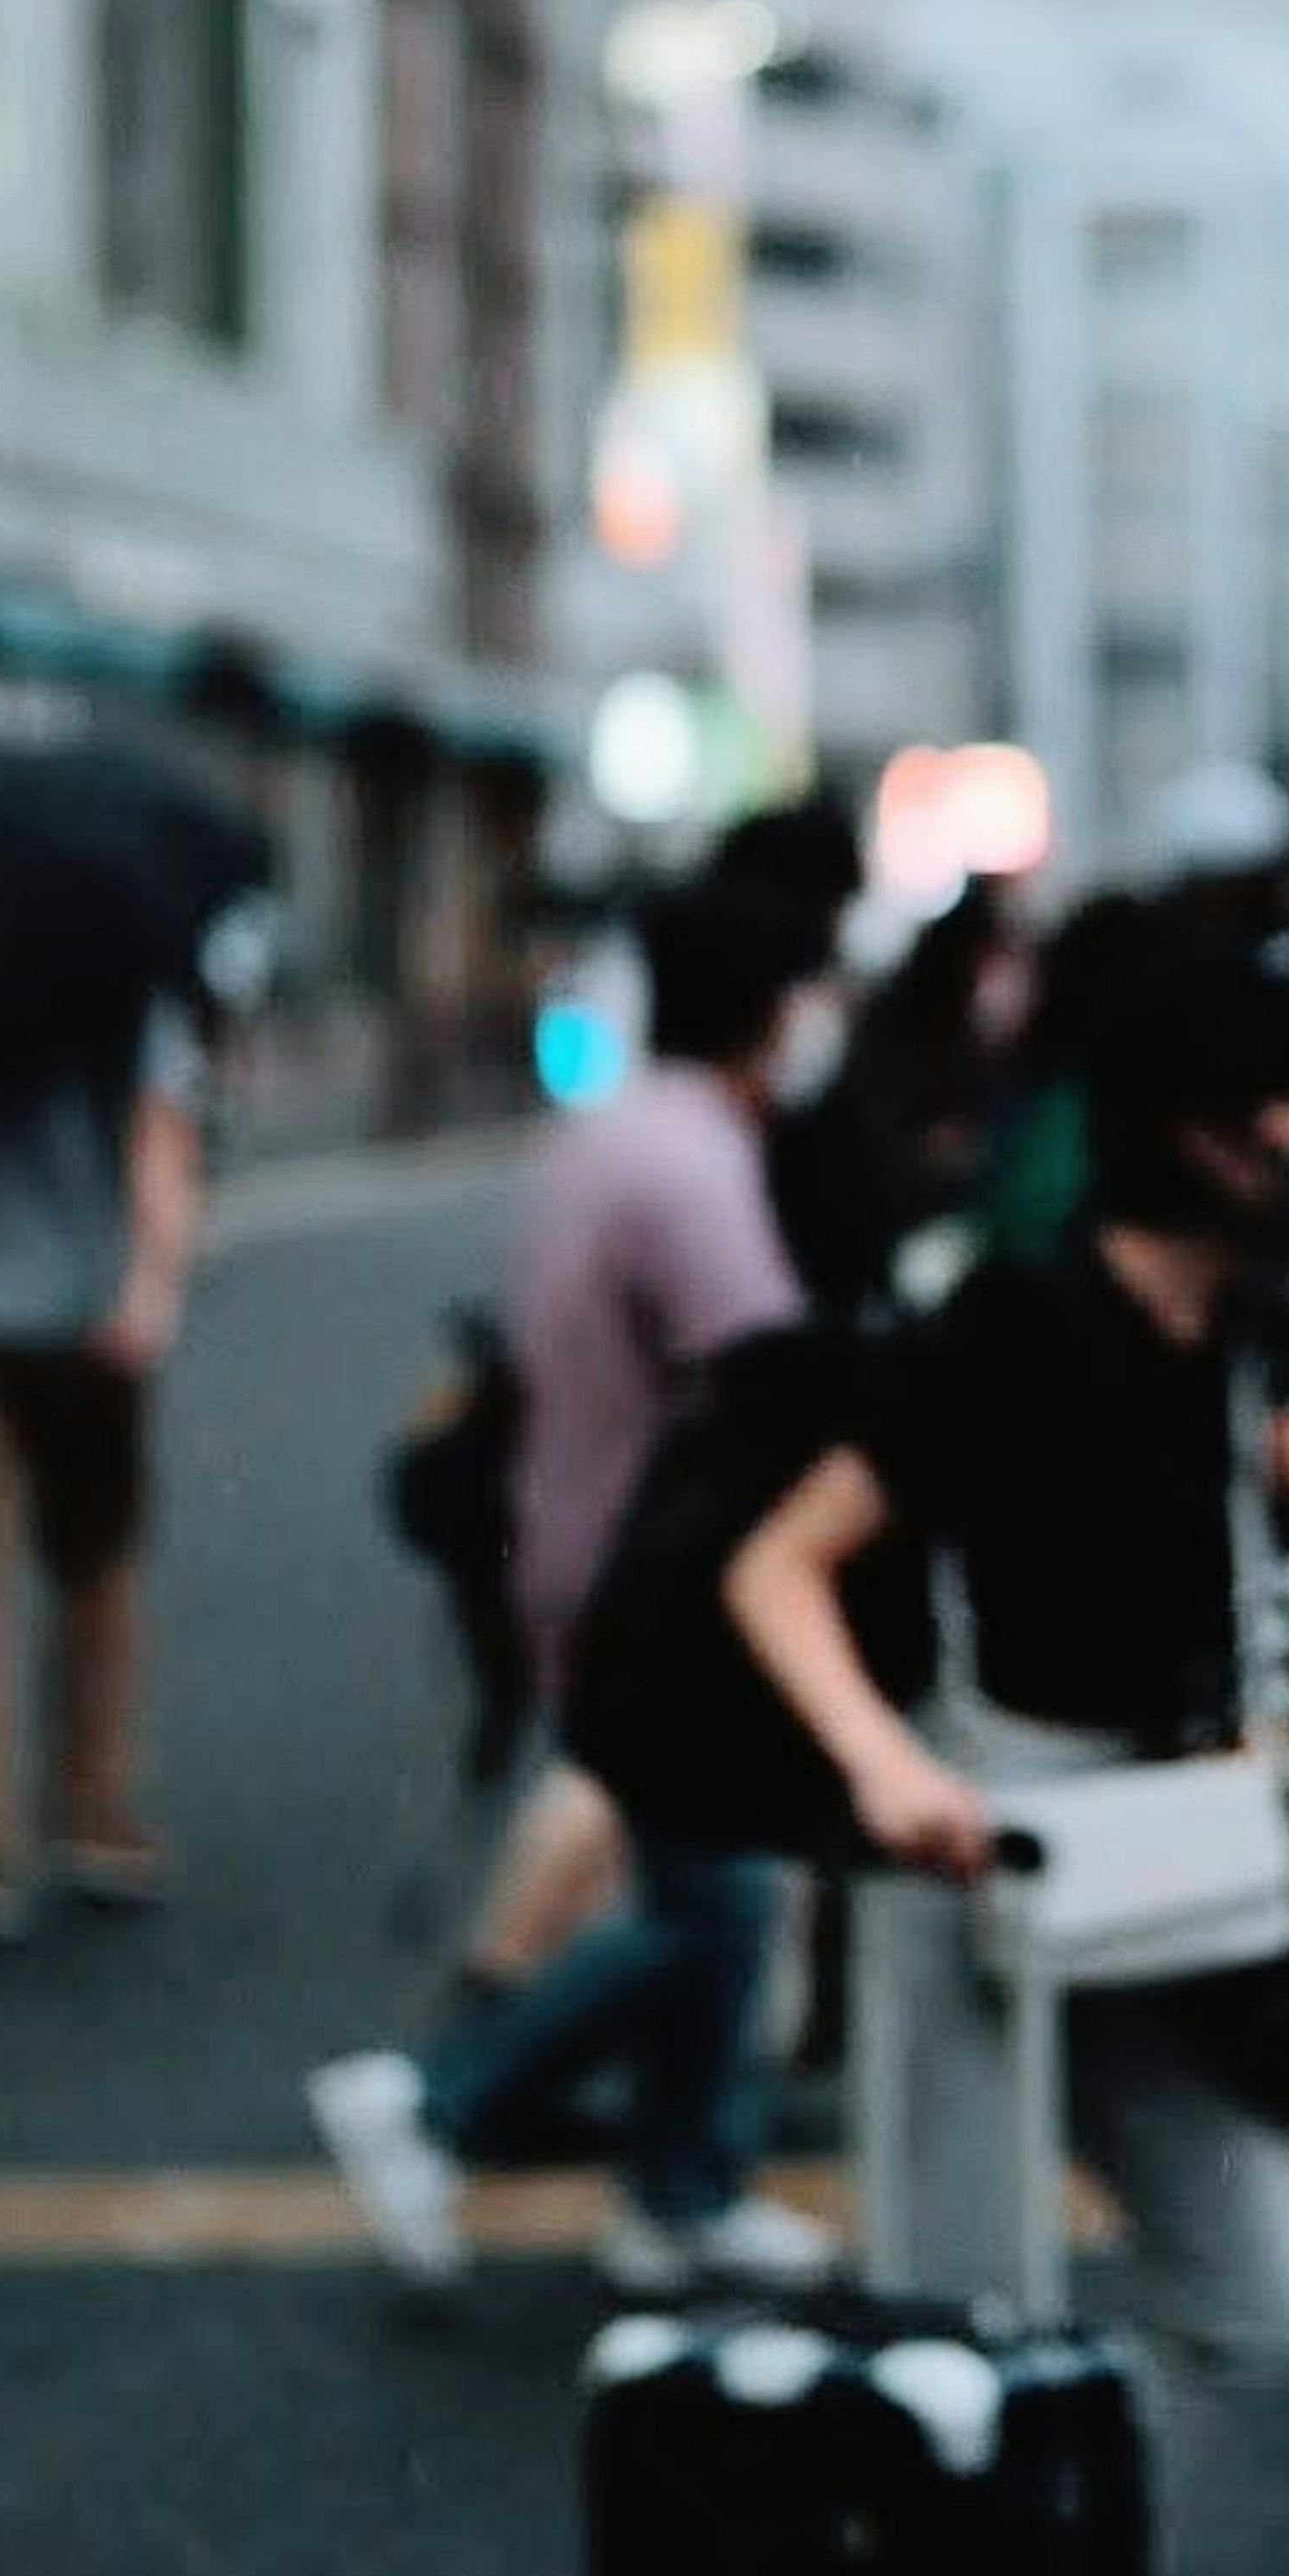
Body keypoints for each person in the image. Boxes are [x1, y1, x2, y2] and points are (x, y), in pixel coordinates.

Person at [722, 933, 1289, 2375]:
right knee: (956, 2316)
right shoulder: (1019, 1319)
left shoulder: (1260, 1336)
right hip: (982, 1842)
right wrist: (888, 1768)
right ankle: (1005, 2552)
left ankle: (1092, 2495)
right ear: (1204, 1136)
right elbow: (778, 1560)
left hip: (1173, 1852)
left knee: (1277, 2304)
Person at [310, 875, 829, 2294]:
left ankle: (678, 2184)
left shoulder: (618, 1136)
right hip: (654, 1578)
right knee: (716, 1902)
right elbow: (767, 1371)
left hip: (580, 1540)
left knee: (697, 1880)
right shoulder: (694, 1167)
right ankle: (438, 2100)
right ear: (775, 1007)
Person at [0, 990, 207, 1938]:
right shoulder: (110, 968)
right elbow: (159, 1141)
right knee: (96, 1565)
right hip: (88, 1317)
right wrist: (154, 1286)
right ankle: (92, 1814)